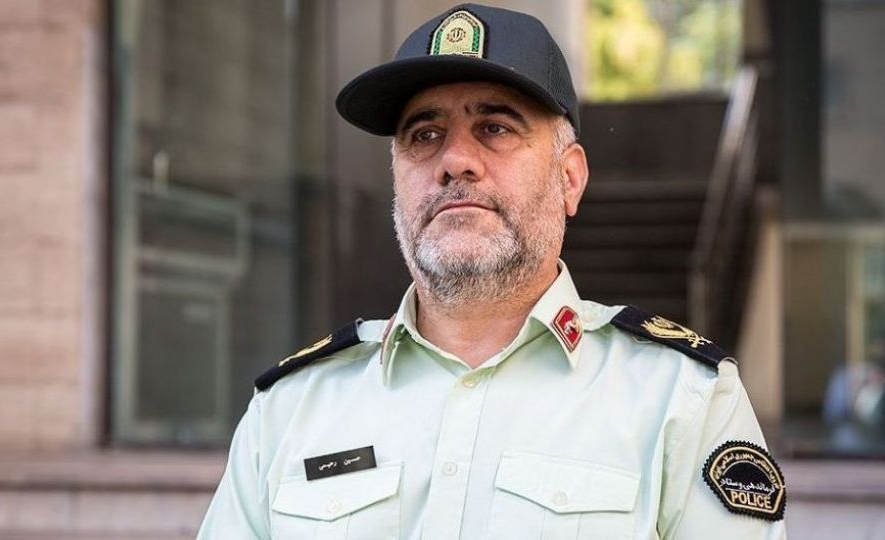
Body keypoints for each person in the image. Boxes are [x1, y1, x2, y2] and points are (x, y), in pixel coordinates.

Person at [197, 3, 786, 539]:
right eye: (424, 134)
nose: (455, 160)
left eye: (495, 128)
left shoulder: (682, 402)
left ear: (569, 178)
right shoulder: (288, 411)